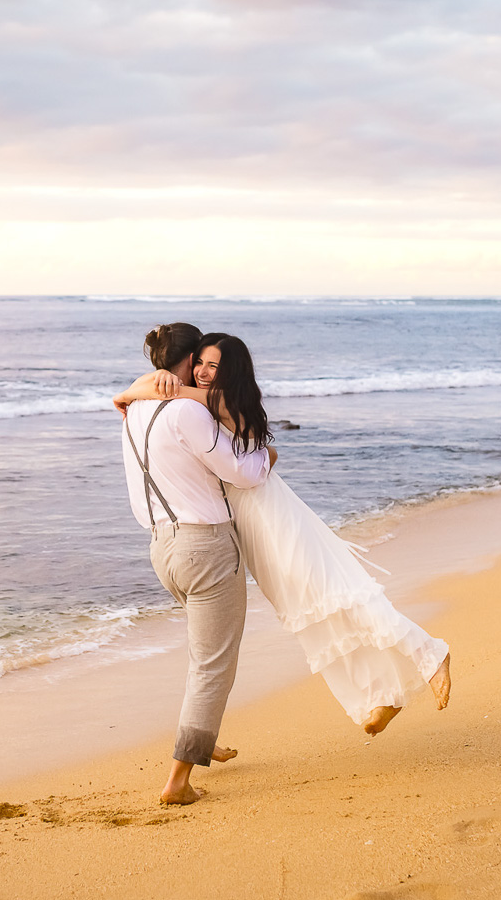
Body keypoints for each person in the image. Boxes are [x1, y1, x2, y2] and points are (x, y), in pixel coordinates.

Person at [115, 332, 452, 737]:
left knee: (332, 591)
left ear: (230, 373)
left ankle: (430, 652)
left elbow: (245, 465)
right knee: (304, 612)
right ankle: (379, 695)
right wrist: (136, 389)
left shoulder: (216, 401)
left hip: (270, 512)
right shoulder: (188, 402)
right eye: (199, 363)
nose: (203, 373)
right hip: (242, 526)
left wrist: (139, 389)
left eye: (213, 366)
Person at [121, 323, 276, 805]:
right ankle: (178, 782)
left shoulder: (134, 409)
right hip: (205, 549)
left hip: (161, 550)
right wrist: (268, 455)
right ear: (190, 363)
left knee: (203, 656)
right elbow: (244, 472)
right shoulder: (188, 411)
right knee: (213, 665)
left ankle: (204, 738)